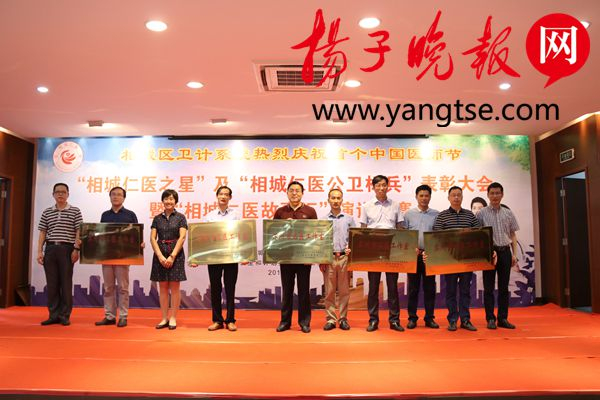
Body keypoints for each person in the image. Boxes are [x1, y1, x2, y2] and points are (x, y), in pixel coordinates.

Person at [432, 186, 482, 332]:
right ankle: (452, 320)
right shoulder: (442, 216)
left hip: (466, 260)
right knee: (451, 291)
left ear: (462, 197)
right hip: (449, 260)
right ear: (448, 198)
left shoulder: (470, 215)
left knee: (465, 291)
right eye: (453, 195)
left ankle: (465, 320)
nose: (456, 197)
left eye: (458, 195)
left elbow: (478, 233)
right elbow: (436, 237)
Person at [360, 175, 404, 332]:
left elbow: (400, 228)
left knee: (392, 287)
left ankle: (394, 320)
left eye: (384, 185)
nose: (381, 188)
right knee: (373, 287)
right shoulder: (366, 206)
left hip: (392, 249)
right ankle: (373, 320)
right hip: (373, 250)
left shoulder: (395, 205)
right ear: (373, 187)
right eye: (378, 185)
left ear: (388, 187)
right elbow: (363, 230)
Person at [95, 186, 143, 328]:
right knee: (108, 287)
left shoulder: (130, 215)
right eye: (113, 194)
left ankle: (123, 316)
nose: (116, 197)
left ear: (124, 198)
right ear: (110, 197)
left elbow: (137, 234)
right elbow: (101, 235)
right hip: (107, 256)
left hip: (123, 256)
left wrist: (140, 243)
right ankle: (109, 316)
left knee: (123, 287)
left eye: (119, 194)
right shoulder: (105, 215)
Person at [273, 181, 318, 333]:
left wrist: (311, 257)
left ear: (302, 193)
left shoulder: (310, 211)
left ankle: (304, 322)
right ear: (287, 192)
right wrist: (284, 226)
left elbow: (316, 234)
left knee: (304, 291)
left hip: (304, 257)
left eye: (297, 190)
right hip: (286, 256)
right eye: (291, 190)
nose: (294, 193)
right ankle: (285, 322)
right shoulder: (280, 212)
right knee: (287, 291)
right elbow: (274, 234)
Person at [37, 183, 83, 326]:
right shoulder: (47, 212)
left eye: (63, 192)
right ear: (53, 194)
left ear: (68, 194)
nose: (60, 194)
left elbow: (79, 231)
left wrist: (76, 249)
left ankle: (64, 315)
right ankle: (53, 315)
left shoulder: (75, 211)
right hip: (50, 249)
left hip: (67, 249)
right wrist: (39, 251)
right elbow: (43, 232)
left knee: (66, 283)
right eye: (57, 192)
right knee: (52, 284)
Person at [477, 182, 520, 330]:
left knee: (503, 287)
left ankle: (503, 318)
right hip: (489, 254)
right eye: (492, 193)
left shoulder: (508, 213)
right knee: (488, 288)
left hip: (505, 252)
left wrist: (514, 254)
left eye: (497, 193)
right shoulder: (481, 213)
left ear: (502, 195)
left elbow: (513, 235)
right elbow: (478, 236)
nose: (495, 196)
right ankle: (490, 318)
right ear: (488, 195)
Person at [202, 186, 241, 332]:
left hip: (231, 256)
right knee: (215, 288)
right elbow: (204, 238)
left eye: (226, 194)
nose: (223, 196)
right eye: (221, 194)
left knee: (230, 289)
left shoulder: (236, 215)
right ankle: (217, 320)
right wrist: (198, 257)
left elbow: (241, 236)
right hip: (214, 257)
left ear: (230, 197)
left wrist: (243, 255)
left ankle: (230, 320)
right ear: (217, 196)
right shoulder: (209, 216)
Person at [403, 184, 440, 329]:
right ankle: (412, 318)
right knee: (413, 289)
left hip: (429, 256)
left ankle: (429, 318)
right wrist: (411, 248)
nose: (424, 198)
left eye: (426, 196)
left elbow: (438, 236)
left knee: (430, 288)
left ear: (430, 197)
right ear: (416, 197)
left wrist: (431, 250)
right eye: (421, 196)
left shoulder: (436, 214)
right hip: (413, 256)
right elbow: (405, 235)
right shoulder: (408, 214)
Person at [150, 189, 187, 330]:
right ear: (162, 201)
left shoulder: (181, 217)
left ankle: (173, 318)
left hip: (176, 254)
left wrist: (172, 256)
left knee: (175, 288)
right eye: (166, 198)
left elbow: (182, 237)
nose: (168, 201)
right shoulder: (157, 218)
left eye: (171, 199)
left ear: (175, 201)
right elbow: (152, 238)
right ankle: (164, 317)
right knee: (163, 287)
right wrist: (160, 256)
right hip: (160, 254)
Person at [319, 188, 355, 331]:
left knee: (345, 291)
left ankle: (343, 319)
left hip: (345, 258)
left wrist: (351, 248)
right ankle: (331, 319)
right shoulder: (323, 220)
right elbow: (319, 241)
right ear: (328, 200)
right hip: (329, 258)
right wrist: (321, 259)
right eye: (333, 198)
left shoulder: (349, 219)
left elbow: (354, 238)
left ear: (342, 200)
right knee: (329, 291)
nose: (335, 201)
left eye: (338, 198)